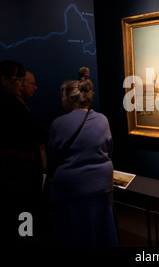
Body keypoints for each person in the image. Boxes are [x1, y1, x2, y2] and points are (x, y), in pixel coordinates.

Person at [0, 60, 49, 246]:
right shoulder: (11, 105)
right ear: (4, 80)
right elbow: (38, 132)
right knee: (24, 224)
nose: (23, 85)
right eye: (19, 80)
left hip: (2, 181)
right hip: (19, 182)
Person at [47, 79, 118, 247]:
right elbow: (109, 147)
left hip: (72, 187)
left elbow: (53, 157)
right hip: (102, 184)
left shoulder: (59, 123)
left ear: (69, 99)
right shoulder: (103, 119)